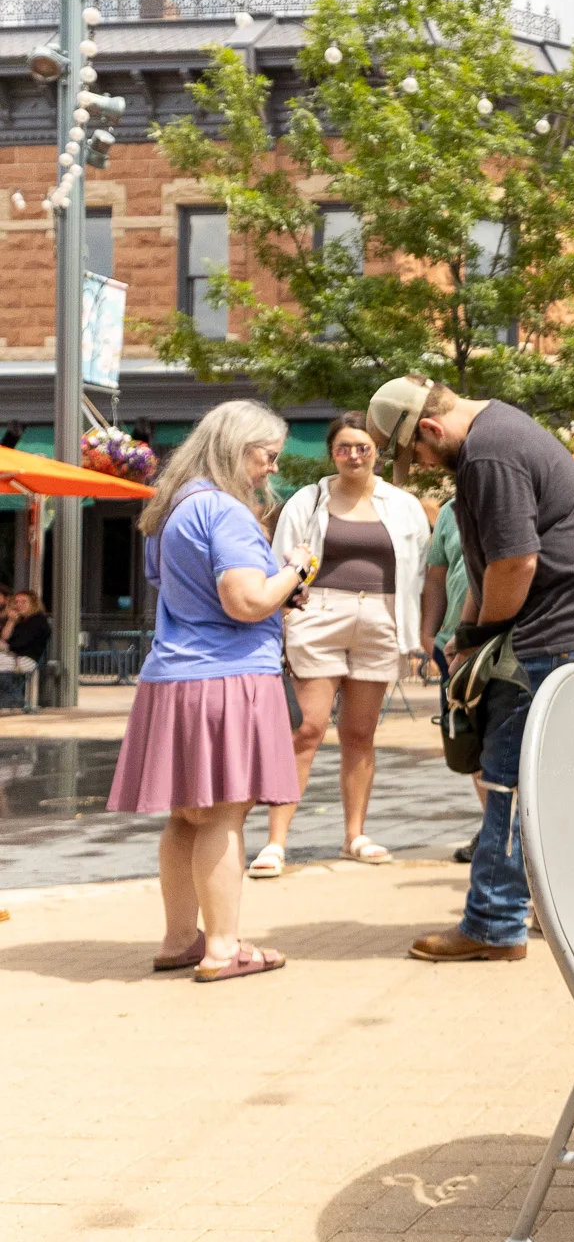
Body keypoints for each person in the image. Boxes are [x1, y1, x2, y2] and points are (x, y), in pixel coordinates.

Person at [365, 374, 574, 962]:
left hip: (563, 628)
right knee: (567, 774)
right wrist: (466, 638)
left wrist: (481, 637)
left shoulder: (488, 454)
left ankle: (493, 923)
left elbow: (515, 564)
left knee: (509, 775)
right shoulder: (494, 435)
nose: (422, 464)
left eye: (416, 451)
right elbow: (486, 563)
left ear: (432, 429)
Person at [107, 400, 310, 983]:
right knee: (224, 814)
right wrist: (294, 570)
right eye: (267, 456)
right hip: (229, 676)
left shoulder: (172, 509)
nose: (271, 468)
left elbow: (176, 587)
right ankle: (224, 947)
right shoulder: (226, 511)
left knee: (185, 816)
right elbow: (245, 602)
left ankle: (180, 939)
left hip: (172, 675)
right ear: (237, 448)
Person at [252, 413, 431, 876]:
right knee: (306, 730)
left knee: (360, 733)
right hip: (320, 614)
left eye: (364, 446)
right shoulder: (308, 501)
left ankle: (355, 834)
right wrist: (282, 617)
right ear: (331, 452)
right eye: (344, 447)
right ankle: (276, 841)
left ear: (378, 451)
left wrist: (420, 633)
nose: (354, 455)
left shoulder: (403, 505)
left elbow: (422, 568)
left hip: (381, 617)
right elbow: (280, 565)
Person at [421, 495, 487, 859]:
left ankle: (511, 832)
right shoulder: (450, 510)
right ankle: (493, 826)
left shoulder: (513, 495)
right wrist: (428, 633)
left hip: (500, 644)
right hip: (452, 648)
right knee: (468, 745)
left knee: (506, 745)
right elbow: (436, 575)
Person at [0, 590, 51, 673]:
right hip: (14, 657)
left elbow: (18, 644)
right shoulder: (19, 621)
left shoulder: (38, 619)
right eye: (16, 602)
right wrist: (11, 621)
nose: (19, 605)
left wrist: (5, 647)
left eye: (24, 602)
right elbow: (4, 638)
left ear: (33, 604)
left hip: (28, 660)